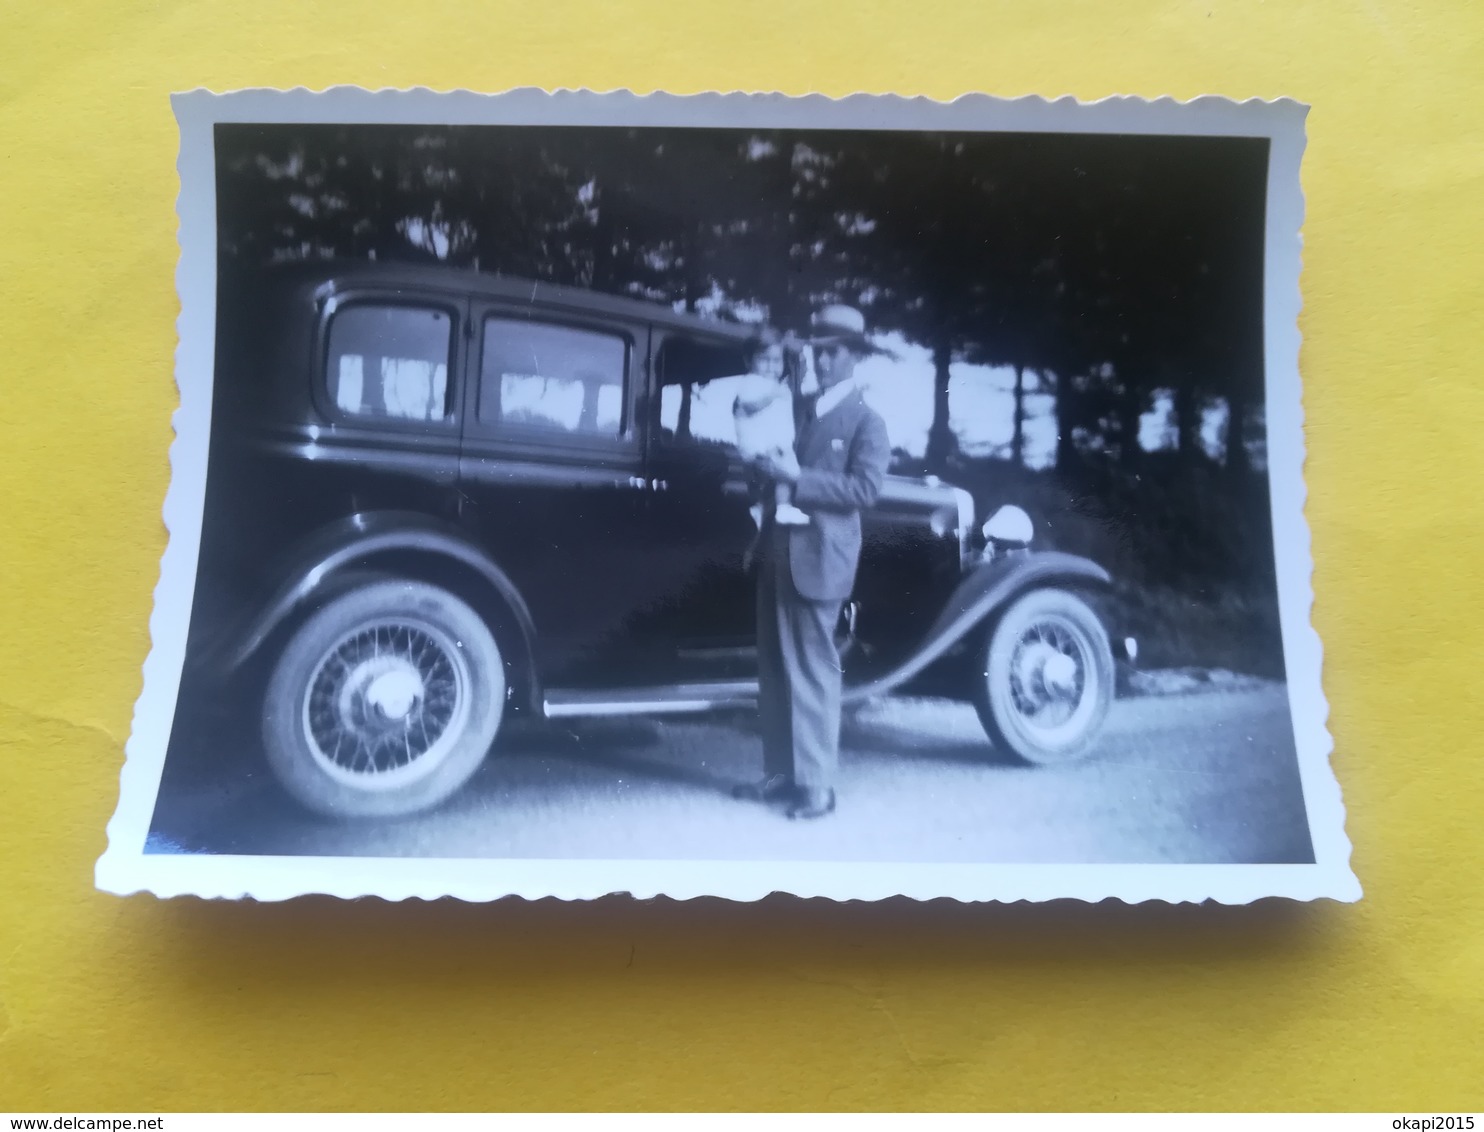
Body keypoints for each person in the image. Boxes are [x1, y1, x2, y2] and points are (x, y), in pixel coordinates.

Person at [734, 304, 892, 820]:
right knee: (775, 669)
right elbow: (772, 463)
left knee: (813, 671)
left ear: (854, 358)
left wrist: (795, 475)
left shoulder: (868, 421)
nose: (821, 362)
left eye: (832, 353)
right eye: (816, 353)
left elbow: (865, 490)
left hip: (821, 557)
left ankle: (819, 787)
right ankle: (782, 777)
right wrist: (760, 467)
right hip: (778, 549)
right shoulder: (796, 408)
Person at [733, 331, 810, 527]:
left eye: (776, 361)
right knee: (786, 474)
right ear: (749, 362)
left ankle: (763, 508)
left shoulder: (775, 385)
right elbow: (749, 406)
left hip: (776, 444)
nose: (771, 366)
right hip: (761, 445)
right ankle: (779, 508)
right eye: (764, 360)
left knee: (780, 478)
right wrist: (772, 396)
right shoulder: (750, 382)